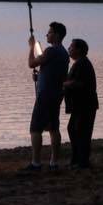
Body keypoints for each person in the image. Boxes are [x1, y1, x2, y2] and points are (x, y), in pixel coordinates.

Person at [26, 22, 69, 171]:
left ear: (56, 35)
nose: (47, 35)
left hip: (45, 96)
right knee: (53, 128)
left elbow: (31, 63)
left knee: (35, 129)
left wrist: (32, 46)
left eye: (49, 32)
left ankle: (36, 163)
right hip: (56, 95)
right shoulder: (64, 53)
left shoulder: (51, 51)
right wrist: (41, 77)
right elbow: (55, 73)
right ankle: (53, 162)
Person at [64, 38, 99, 169]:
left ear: (78, 50)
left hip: (85, 105)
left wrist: (64, 84)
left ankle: (82, 162)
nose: (69, 49)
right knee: (73, 129)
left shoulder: (83, 64)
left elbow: (79, 83)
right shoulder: (79, 63)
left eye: (71, 47)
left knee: (81, 132)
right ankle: (77, 159)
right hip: (80, 105)